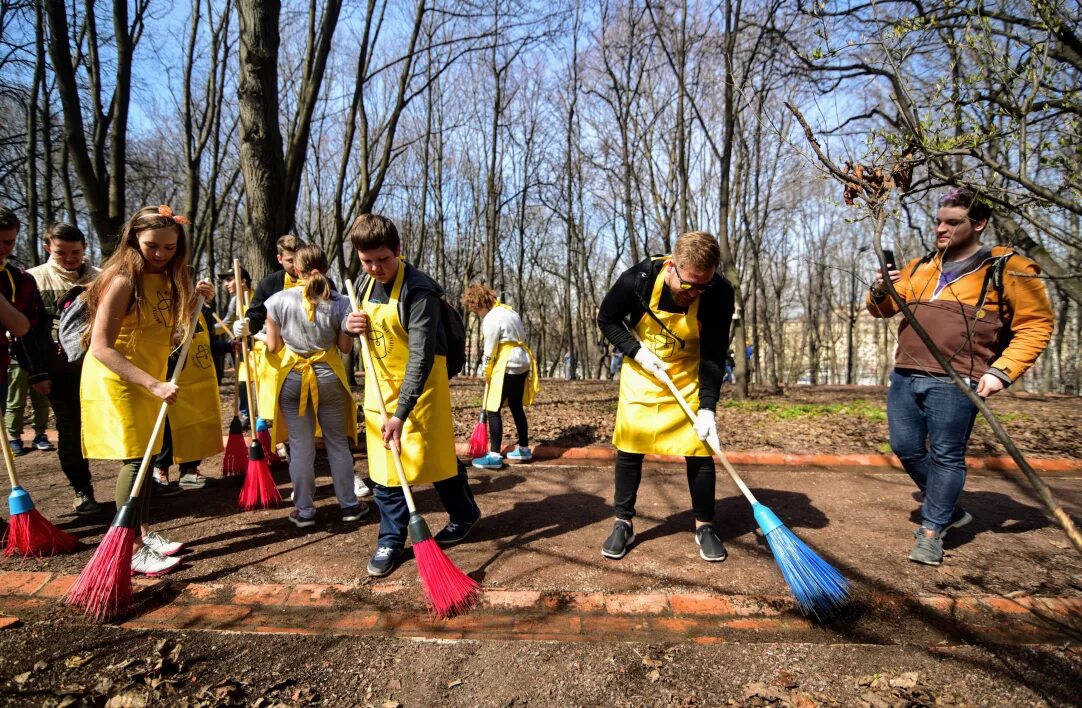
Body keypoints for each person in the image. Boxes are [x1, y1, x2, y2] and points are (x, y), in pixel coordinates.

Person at [868, 187, 1054, 566]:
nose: (941, 228)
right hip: (905, 372)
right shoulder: (921, 267)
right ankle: (951, 510)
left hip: (958, 379)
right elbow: (883, 309)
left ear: (979, 223)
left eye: (953, 222)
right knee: (904, 447)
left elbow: (1036, 325)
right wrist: (878, 288)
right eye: (939, 221)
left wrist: (1002, 372)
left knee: (947, 455)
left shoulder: (1006, 267)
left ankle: (932, 531)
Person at [80, 205, 214, 576]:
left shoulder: (168, 277)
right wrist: (153, 383)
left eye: (170, 247)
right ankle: (131, 546)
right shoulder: (121, 279)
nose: (161, 254)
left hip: (150, 377)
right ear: (133, 240)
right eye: (152, 246)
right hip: (119, 378)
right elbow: (100, 347)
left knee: (150, 454)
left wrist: (199, 297)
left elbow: (169, 327)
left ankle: (142, 532)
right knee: (136, 460)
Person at [344, 213, 480, 578]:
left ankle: (465, 513)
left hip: (422, 389)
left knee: (433, 460)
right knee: (386, 470)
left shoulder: (419, 291)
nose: (375, 268)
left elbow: (420, 356)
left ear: (399, 251)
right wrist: (348, 324)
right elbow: (352, 328)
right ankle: (390, 538)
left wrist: (401, 412)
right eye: (367, 261)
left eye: (383, 260)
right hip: (379, 388)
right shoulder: (362, 283)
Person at [596, 231, 735, 562]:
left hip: (688, 374)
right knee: (630, 447)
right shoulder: (638, 279)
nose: (695, 293)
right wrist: (637, 352)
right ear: (672, 267)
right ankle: (623, 522)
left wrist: (709, 410)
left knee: (699, 450)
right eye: (689, 285)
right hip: (643, 374)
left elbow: (714, 353)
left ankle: (704, 526)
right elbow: (607, 319)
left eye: (704, 285)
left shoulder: (719, 293)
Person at [261, 244, 368, 527]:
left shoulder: (277, 301)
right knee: (337, 444)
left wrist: (261, 336)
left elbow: (274, 347)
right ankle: (349, 505)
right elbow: (345, 348)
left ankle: (305, 511)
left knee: (300, 447)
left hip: (294, 377)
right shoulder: (342, 302)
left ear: (296, 269)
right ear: (326, 267)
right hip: (329, 376)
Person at [26, 222, 103, 514]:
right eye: (62, 253)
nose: (70, 258)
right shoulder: (33, 279)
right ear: (48, 247)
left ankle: (140, 480)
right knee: (71, 430)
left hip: (100, 369)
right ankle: (82, 489)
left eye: (76, 252)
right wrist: (37, 371)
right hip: (59, 372)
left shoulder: (101, 277)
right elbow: (29, 333)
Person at [462, 284, 539, 470]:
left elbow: (489, 349)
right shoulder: (509, 311)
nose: (475, 312)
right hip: (522, 361)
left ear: (477, 303)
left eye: (474, 308)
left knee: (492, 408)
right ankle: (524, 449)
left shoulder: (491, 318)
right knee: (515, 405)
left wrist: (485, 370)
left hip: (507, 362)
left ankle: (495, 455)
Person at [151, 302, 222, 493]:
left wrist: (230, 346)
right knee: (168, 428)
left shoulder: (203, 310)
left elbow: (211, 343)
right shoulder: (163, 307)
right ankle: (160, 470)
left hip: (199, 381)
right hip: (169, 377)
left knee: (195, 425)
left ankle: (189, 470)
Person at [0, 207, 51, 443]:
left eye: (8, 242)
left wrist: (37, 370)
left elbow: (24, 328)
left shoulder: (21, 279)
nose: (2, 249)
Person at [219, 267, 252, 428]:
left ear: (243, 281)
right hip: (243, 351)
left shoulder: (256, 297)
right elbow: (226, 323)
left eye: (229, 279)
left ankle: (264, 415)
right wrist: (205, 327)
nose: (226, 284)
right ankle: (245, 415)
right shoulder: (234, 302)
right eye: (225, 281)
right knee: (242, 382)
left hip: (261, 349)